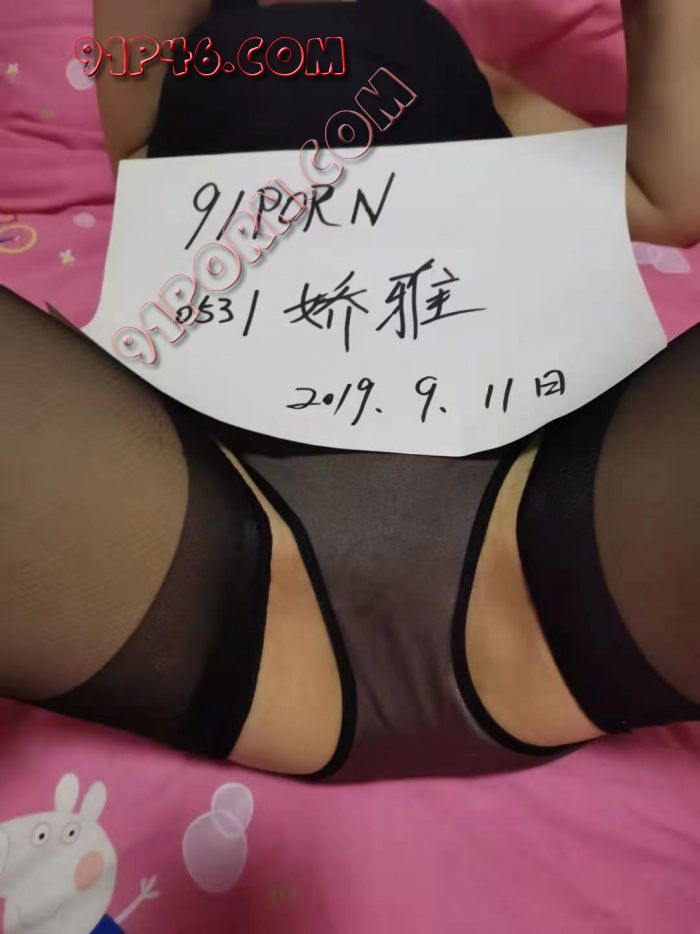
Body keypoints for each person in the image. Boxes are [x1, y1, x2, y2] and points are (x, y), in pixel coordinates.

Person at [1, 0, 698, 783]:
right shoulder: (199, 49)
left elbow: (662, 201)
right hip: (206, 552)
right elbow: (139, 163)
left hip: (544, 543)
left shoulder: (473, 77)